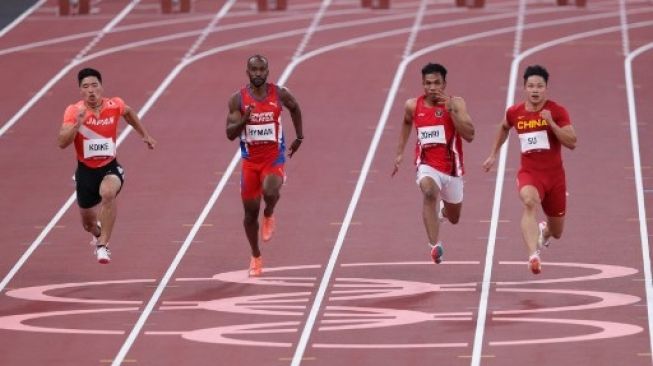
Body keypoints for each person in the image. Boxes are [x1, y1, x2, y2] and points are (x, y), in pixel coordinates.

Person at [483, 65, 577, 274]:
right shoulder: (515, 112)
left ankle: (544, 231)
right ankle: (533, 255)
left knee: (558, 231)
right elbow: (504, 127)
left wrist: (551, 123)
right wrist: (493, 154)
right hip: (530, 174)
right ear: (525, 87)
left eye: (540, 86)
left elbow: (572, 142)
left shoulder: (557, 111)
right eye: (531, 86)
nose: (535, 90)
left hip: (555, 178)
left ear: (546, 88)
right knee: (529, 202)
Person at [58, 67, 156, 264]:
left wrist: (145, 134)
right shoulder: (74, 111)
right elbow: (62, 142)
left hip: (109, 167)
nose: (91, 90)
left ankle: (103, 245)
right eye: (86, 87)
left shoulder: (114, 104)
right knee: (88, 224)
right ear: (80, 90)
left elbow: (129, 114)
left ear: (101, 87)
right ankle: (97, 234)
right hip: (85, 172)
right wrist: (77, 124)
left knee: (108, 193)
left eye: (94, 85)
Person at [226, 55, 304, 277]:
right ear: (247, 72)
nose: (258, 73)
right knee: (250, 214)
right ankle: (256, 255)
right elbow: (230, 133)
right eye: (254, 70)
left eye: (262, 69)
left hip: (273, 157)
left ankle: (269, 213)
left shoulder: (279, 94)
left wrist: (299, 138)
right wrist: (244, 119)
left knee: (270, 191)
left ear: (268, 71)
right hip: (250, 162)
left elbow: (295, 108)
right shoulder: (237, 100)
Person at [392, 62, 475, 264]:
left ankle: (443, 212)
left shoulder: (456, 103)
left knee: (454, 218)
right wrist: (400, 153)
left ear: (444, 84)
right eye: (428, 83)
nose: (432, 88)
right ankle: (434, 246)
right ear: (422, 83)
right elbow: (405, 123)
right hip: (427, 164)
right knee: (429, 192)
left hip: (452, 170)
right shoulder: (413, 105)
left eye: (436, 83)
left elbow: (470, 135)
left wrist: (452, 111)